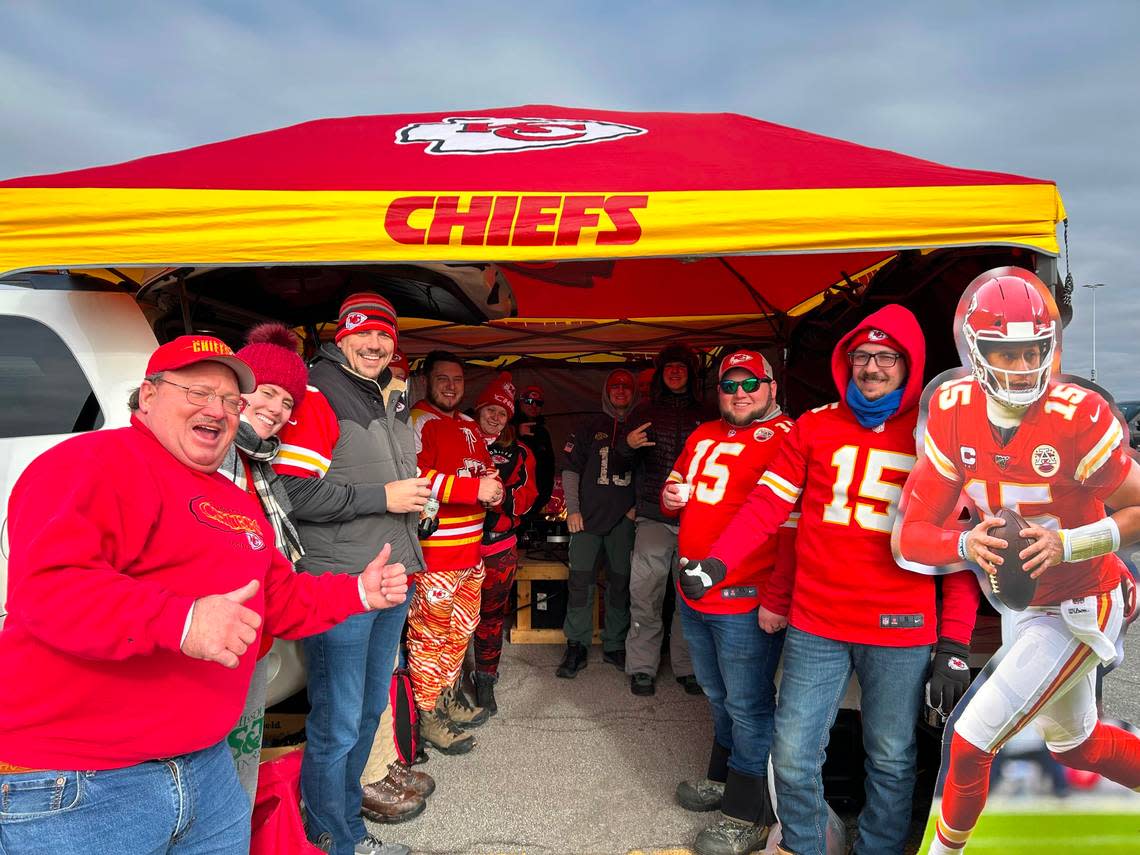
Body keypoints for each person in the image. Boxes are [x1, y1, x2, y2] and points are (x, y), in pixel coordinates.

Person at [0, 334, 409, 855]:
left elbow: (277, 600)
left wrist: (355, 591)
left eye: (230, 401)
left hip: (206, 769)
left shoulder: (233, 501)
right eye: (197, 391)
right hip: (82, 781)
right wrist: (181, 620)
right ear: (148, 396)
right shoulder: (91, 462)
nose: (216, 409)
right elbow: (51, 589)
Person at [682, 305, 980, 855]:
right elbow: (767, 506)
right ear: (846, 363)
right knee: (793, 756)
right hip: (816, 623)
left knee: (891, 757)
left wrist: (956, 642)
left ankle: (879, 848)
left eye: (886, 356)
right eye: (862, 355)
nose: (872, 367)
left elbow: (959, 550)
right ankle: (805, 844)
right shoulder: (813, 427)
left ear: (909, 363)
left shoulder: (937, 437)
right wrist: (719, 562)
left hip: (901, 628)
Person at [895, 268, 1140, 854]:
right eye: (1006, 352)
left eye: (1033, 350)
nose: (1023, 365)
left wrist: (1069, 543)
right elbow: (911, 536)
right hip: (1025, 602)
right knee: (1075, 746)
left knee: (971, 739)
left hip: (1085, 599)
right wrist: (963, 545)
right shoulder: (954, 412)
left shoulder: (1077, 416)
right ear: (976, 351)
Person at [274, 292, 430, 854]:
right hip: (339, 586)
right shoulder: (319, 394)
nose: (375, 344)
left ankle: (349, 828)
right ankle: (328, 835)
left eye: (385, 336)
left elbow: (383, 487)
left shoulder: (382, 393)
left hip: (388, 580)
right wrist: (382, 497)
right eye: (363, 334)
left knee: (366, 714)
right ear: (341, 337)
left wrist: (413, 510)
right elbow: (291, 491)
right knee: (338, 722)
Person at [665, 351, 794, 855]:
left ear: (772, 387)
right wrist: (675, 495)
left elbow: (791, 527)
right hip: (695, 592)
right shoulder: (703, 433)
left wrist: (778, 597)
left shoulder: (788, 436)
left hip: (746, 598)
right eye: (730, 385)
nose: (740, 393)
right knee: (718, 697)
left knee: (748, 704)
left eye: (751, 384)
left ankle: (749, 814)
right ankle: (724, 781)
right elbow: (679, 480)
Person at [218, 323, 313, 805]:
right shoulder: (213, 456)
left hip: (255, 638)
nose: (276, 410)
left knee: (241, 763)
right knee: (216, 771)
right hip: (212, 642)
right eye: (269, 393)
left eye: (288, 402)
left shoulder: (259, 462)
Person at [409, 351, 504, 753]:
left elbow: (482, 472)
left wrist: (493, 487)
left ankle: (445, 700)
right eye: (443, 379)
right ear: (427, 381)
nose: (451, 387)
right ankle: (427, 716)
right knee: (430, 636)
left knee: (458, 634)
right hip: (436, 556)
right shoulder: (417, 421)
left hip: (471, 553)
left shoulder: (468, 424)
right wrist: (473, 490)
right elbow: (413, 477)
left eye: (458, 380)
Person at [621, 342, 704, 696]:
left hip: (697, 518)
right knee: (645, 594)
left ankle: (688, 667)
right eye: (669, 367)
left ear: (691, 374)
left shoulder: (709, 412)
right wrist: (626, 446)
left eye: (681, 368)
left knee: (690, 597)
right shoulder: (643, 410)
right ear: (661, 373)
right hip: (653, 517)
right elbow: (622, 466)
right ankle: (642, 667)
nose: (675, 372)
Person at [556, 367, 639, 678]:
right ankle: (576, 644)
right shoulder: (589, 424)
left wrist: (636, 510)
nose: (620, 390)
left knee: (620, 584)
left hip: (623, 521)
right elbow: (570, 469)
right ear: (606, 390)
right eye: (615, 385)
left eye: (626, 385)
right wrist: (573, 510)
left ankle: (615, 643)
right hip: (586, 520)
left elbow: (653, 473)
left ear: (634, 392)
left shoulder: (642, 426)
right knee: (580, 584)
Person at [472, 372, 538, 713]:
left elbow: (527, 498)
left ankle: (486, 679)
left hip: (498, 546)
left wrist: (493, 497)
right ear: (479, 407)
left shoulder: (519, 451)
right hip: (457, 546)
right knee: (449, 621)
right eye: (491, 408)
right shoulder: (461, 438)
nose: (496, 416)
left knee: (491, 616)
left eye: (503, 411)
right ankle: (443, 686)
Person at [513, 382, 555, 517]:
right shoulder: (506, 422)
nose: (534, 405)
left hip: (536, 496)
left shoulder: (543, 432)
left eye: (538, 403)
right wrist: (515, 432)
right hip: (512, 495)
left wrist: (546, 494)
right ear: (520, 402)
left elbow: (550, 465)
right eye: (529, 401)